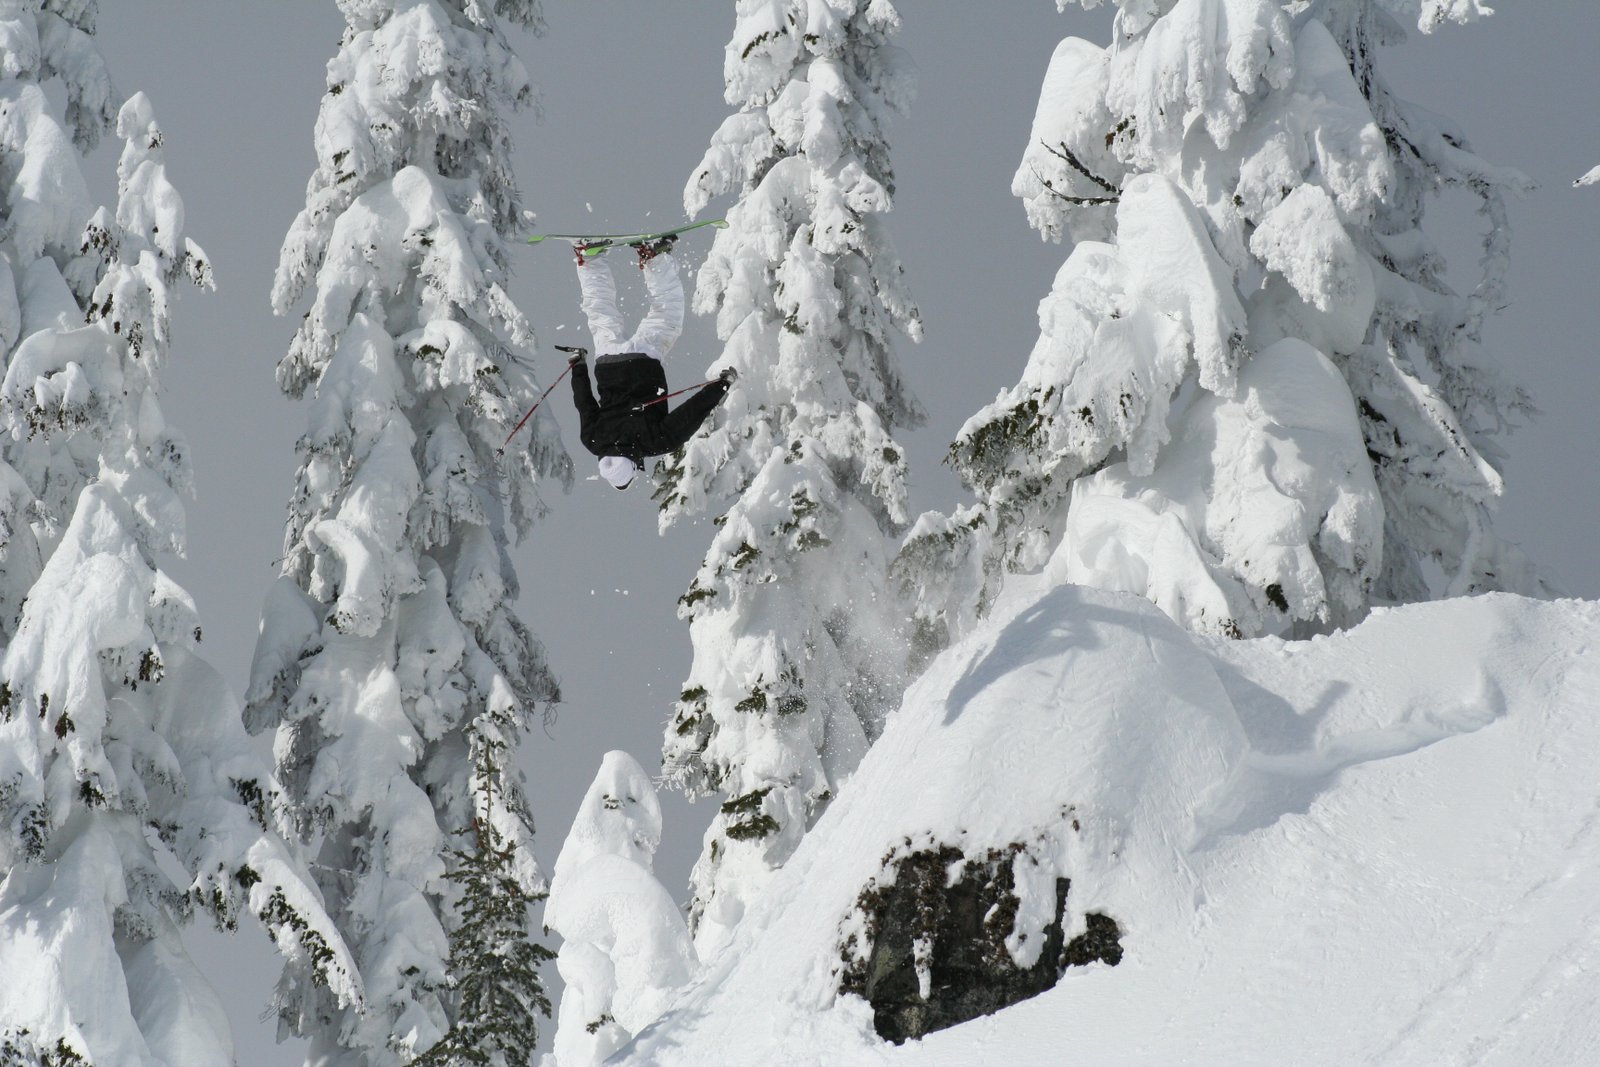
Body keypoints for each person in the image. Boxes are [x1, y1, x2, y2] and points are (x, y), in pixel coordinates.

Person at [568, 238, 734, 491]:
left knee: (666, 316)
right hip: (607, 363)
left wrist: (721, 386)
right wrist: (578, 365)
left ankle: (653, 257)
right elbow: (583, 402)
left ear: (632, 467)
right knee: (601, 315)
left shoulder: (655, 442)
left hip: (643, 363)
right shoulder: (593, 440)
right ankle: (588, 258)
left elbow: (691, 413)